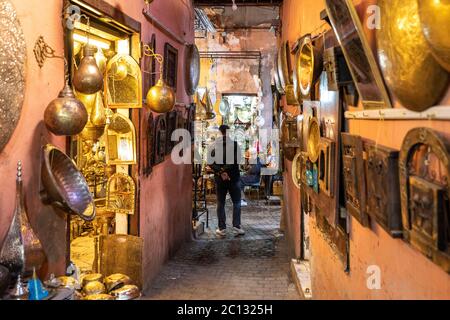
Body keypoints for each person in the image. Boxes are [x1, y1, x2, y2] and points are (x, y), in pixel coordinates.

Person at [207, 125, 245, 237]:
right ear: (229, 132)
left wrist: (220, 172)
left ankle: (222, 228)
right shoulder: (234, 145)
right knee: (237, 202)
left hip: (220, 179)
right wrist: (225, 171)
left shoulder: (213, 145)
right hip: (234, 178)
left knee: (221, 203)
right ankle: (236, 227)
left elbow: (210, 162)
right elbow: (236, 161)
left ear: (219, 132)